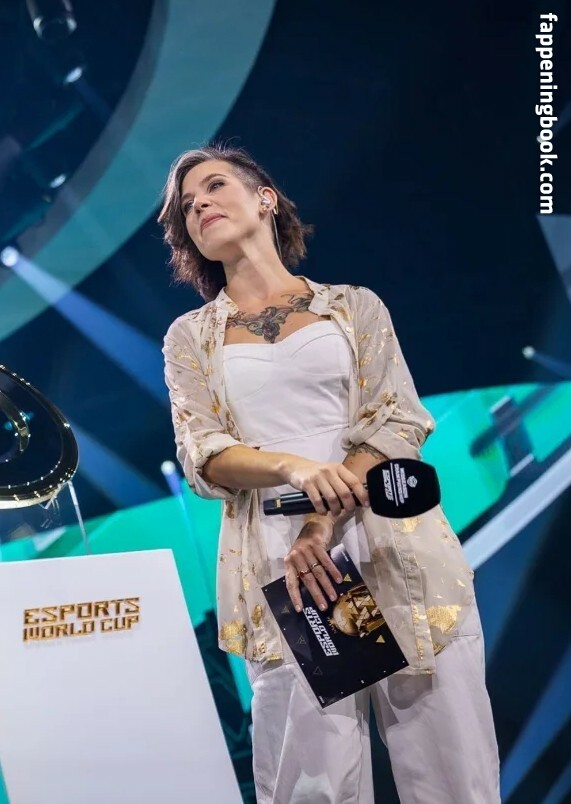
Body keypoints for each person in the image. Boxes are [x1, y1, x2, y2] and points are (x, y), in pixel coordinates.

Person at [160, 143, 500, 803]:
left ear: (264, 198)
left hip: (393, 546)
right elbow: (203, 454)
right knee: (313, 785)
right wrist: (293, 467)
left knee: (454, 775)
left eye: (214, 186)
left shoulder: (353, 306)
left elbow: (397, 421)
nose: (199, 204)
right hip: (288, 570)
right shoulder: (189, 337)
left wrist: (322, 521)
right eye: (186, 207)